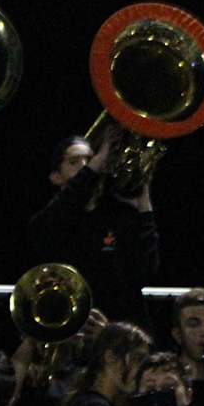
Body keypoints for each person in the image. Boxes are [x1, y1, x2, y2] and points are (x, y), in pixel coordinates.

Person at [28, 131, 158, 327]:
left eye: (89, 159)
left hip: (116, 328)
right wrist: (97, 160)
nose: (86, 166)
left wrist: (144, 210)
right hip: (69, 327)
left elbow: (147, 270)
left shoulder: (119, 216)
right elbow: (70, 199)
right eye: (74, 162)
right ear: (56, 177)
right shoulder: (46, 220)